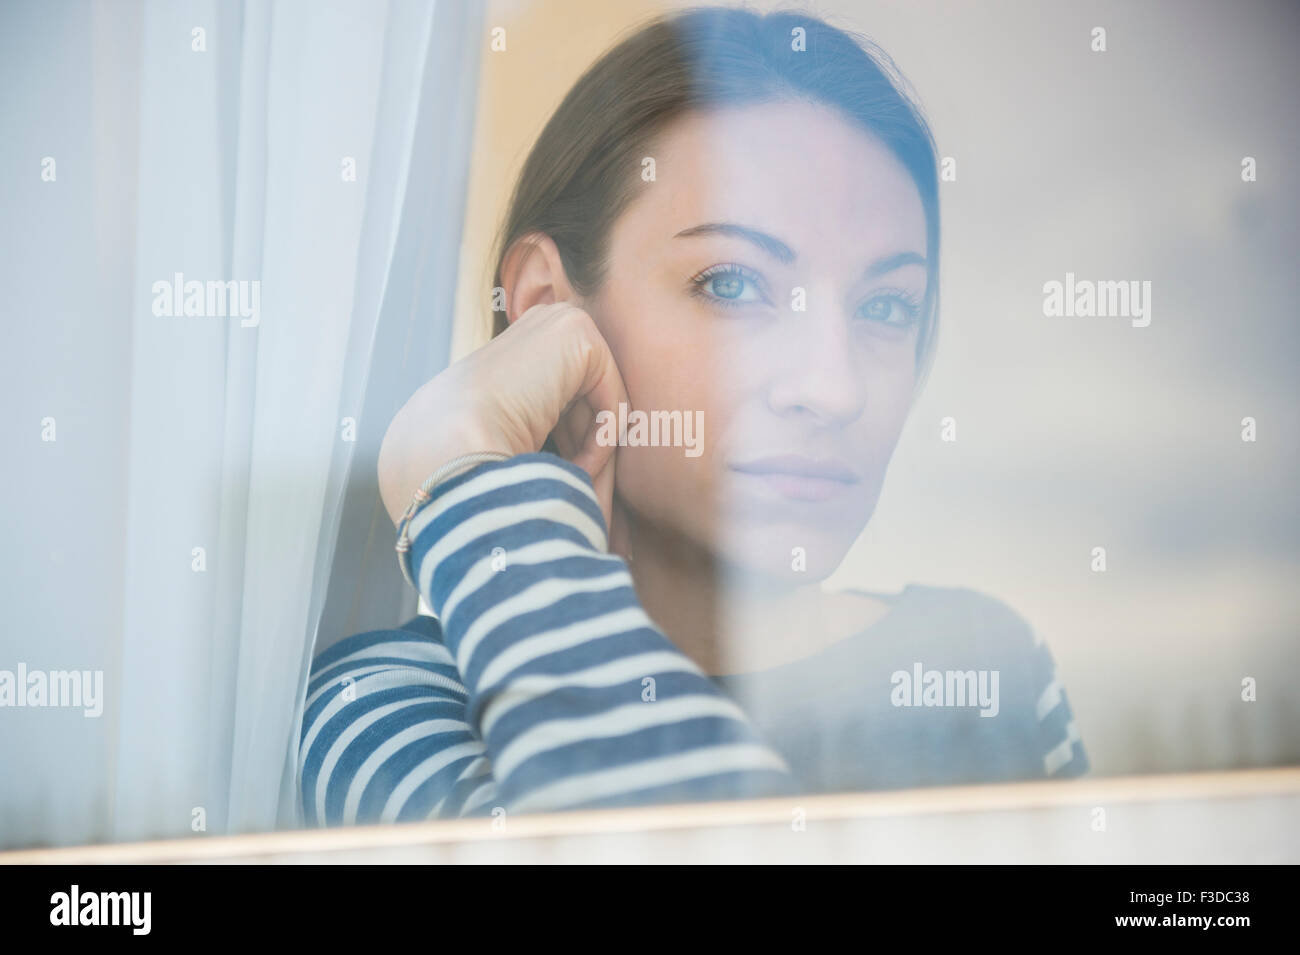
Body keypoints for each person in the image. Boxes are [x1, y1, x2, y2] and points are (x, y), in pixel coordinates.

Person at [298, 5, 1088, 828]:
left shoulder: (983, 663)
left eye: (886, 305)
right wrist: (467, 458)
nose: (835, 386)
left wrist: (455, 465)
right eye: (733, 284)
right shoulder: (386, 705)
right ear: (542, 308)